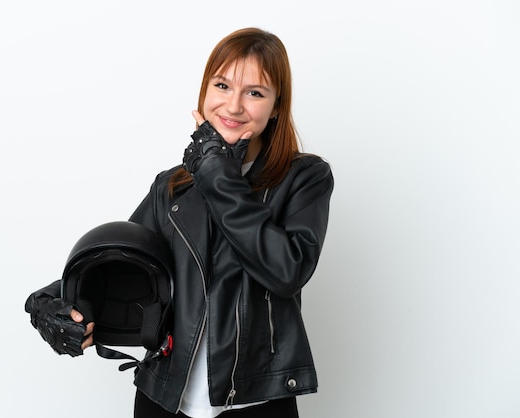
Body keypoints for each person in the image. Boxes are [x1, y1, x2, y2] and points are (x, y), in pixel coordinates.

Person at [25, 27, 334, 418]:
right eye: (222, 85)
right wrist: (50, 302)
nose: (234, 106)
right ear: (205, 92)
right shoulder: (172, 186)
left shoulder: (304, 178)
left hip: (257, 402)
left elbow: (286, 270)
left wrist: (216, 170)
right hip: (165, 400)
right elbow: (120, 260)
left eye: (254, 92)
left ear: (276, 106)